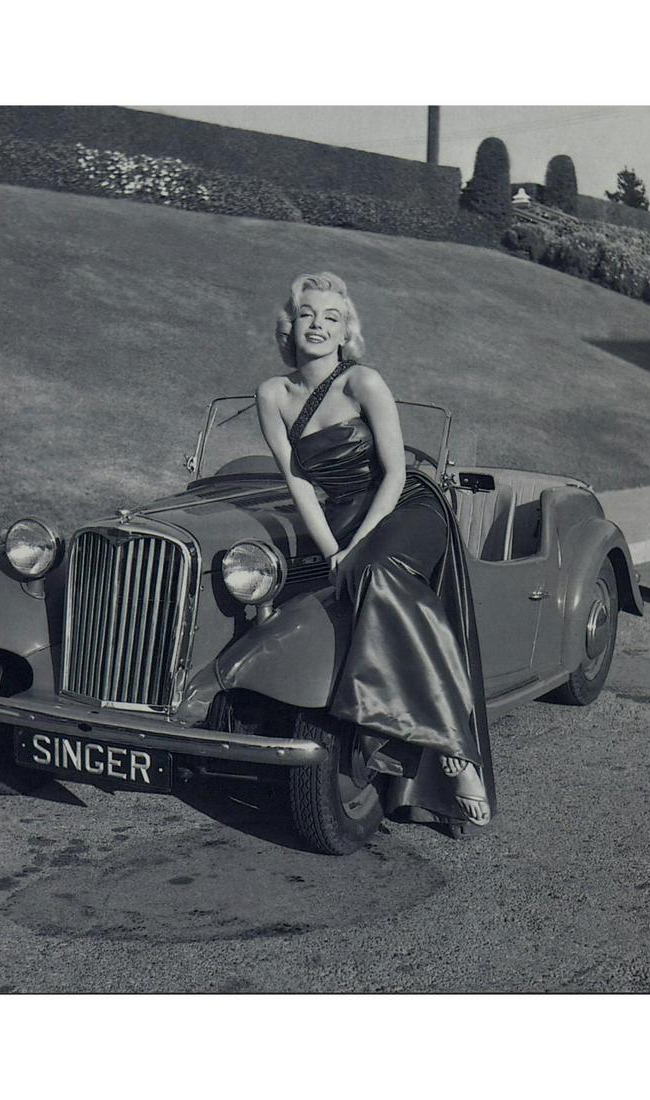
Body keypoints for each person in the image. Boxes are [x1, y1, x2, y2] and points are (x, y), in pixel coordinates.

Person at [255, 271, 495, 829]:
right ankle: (430, 731)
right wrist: (331, 551)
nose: (318, 325)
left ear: (346, 332)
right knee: (352, 578)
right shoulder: (272, 395)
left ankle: (455, 748)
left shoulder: (363, 382)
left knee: (378, 570)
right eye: (308, 314)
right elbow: (299, 484)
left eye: (331, 318)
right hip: (341, 518)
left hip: (408, 506)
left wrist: (357, 547)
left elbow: (395, 473)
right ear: (290, 325)